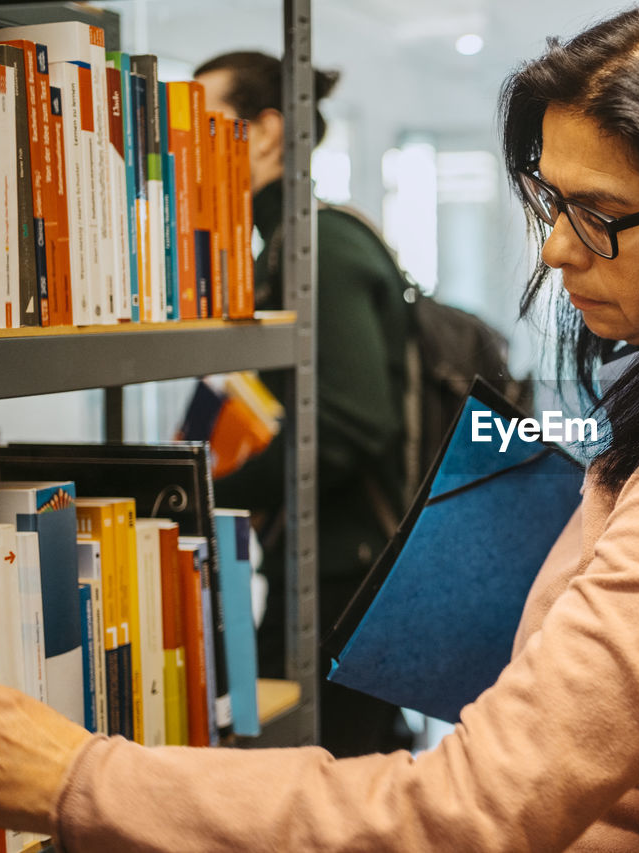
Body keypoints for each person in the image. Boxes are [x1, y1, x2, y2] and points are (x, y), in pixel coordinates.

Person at [0, 1, 639, 849]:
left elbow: (462, 814)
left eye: (601, 213)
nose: (557, 248)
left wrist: (81, 778)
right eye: (551, 200)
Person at [194, 52, 415, 757]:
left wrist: (207, 493)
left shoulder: (319, 247)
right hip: (313, 570)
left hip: (346, 585)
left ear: (264, 133)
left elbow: (350, 426)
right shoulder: (274, 250)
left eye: (199, 125)